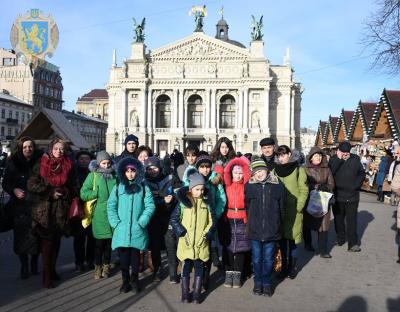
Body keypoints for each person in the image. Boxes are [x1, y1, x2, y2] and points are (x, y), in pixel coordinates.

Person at [27, 138, 77, 288]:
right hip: (44, 210)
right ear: (51, 149)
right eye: (56, 148)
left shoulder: (69, 164)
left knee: (56, 242)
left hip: (61, 210)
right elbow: (32, 184)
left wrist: (65, 191)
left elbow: (74, 185)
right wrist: (50, 192)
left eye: (61, 149)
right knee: (47, 245)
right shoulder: (41, 163)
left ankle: (53, 270)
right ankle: (46, 276)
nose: (59, 151)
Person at [107, 157, 155, 293]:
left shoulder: (143, 187)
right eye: (127, 171)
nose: (130, 174)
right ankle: (125, 281)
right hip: (121, 230)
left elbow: (150, 206)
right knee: (123, 259)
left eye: (133, 171)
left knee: (135, 258)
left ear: (137, 171)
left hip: (136, 230)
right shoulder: (118, 187)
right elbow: (111, 206)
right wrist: (115, 222)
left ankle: (134, 280)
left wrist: (142, 221)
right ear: (123, 172)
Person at [170, 172, 216, 304]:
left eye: (202, 189)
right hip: (187, 242)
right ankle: (185, 293)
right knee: (186, 267)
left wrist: (207, 234)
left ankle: (196, 293)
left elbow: (212, 222)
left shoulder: (207, 203)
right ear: (190, 189)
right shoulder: (183, 203)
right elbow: (174, 219)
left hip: (201, 242)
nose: (200, 192)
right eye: (197, 189)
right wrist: (182, 233)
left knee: (199, 267)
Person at [2, 137, 42, 279]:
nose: (28, 149)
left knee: (37, 236)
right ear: (20, 148)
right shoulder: (13, 163)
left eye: (30, 146)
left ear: (34, 147)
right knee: (21, 238)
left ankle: (34, 263)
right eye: (25, 147)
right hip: (19, 207)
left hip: (37, 205)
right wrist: (14, 190)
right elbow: (6, 183)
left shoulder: (40, 162)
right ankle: (24, 266)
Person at [245, 158, 285, 297]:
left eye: (261, 170)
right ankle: (258, 282)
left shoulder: (277, 185)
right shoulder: (249, 186)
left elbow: (282, 208)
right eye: (256, 172)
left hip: (271, 229)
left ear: (266, 170)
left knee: (268, 258)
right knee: (256, 258)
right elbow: (248, 206)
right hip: (255, 229)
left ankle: (267, 282)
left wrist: (278, 224)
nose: (259, 174)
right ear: (253, 173)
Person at [144, 156, 181, 282]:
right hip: (153, 218)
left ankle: (173, 272)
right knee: (154, 246)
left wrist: (172, 200)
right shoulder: (144, 182)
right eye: (149, 168)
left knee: (170, 244)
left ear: (159, 167)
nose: (152, 170)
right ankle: (157, 269)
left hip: (168, 216)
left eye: (154, 167)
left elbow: (179, 192)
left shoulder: (170, 177)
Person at [274, 145, 308, 279]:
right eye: (279, 156)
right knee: (282, 241)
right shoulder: (274, 171)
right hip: (279, 211)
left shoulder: (299, 170)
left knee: (293, 241)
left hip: (294, 211)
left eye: (283, 155)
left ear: (289, 154)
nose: (281, 158)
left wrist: (299, 207)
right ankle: (283, 267)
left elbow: (304, 190)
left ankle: (292, 268)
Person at [80, 151, 117, 279]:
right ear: (98, 163)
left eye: (108, 163)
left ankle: (106, 266)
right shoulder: (93, 176)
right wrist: (94, 193)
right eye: (103, 163)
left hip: (112, 214)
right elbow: (83, 193)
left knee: (108, 244)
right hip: (98, 214)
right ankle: (98, 266)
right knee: (99, 244)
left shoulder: (114, 175)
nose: (106, 166)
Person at [193, 154, 227, 289]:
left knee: (209, 249)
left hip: (210, 222)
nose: (205, 170)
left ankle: (205, 278)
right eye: (202, 167)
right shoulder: (194, 180)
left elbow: (221, 200)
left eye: (207, 167)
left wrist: (215, 215)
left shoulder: (215, 181)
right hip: (196, 222)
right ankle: (198, 278)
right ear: (198, 168)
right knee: (197, 251)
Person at [220, 156, 251, 288]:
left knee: (240, 248)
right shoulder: (227, 185)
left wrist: (242, 163)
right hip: (228, 218)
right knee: (228, 247)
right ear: (231, 173)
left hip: (242, 218)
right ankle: (229, 273)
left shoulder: (246, 186)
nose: (238, 176)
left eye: (240, 173)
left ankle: (238, 274)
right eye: (235, 173)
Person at [329, 141, 365, 252]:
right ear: (338, 151)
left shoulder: (355, 159)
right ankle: (340, 237)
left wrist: (356, 185)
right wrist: (339, 160)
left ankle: (352, 243)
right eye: (343, 152)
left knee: (352, 221)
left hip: (352, 195)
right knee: (338, 219)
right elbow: (330, 173)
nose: (345, 154)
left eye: (347, 153)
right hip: (338, 196)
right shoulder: (333, 160)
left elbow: (361, 173)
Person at [303, 147, 335, 258]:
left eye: (320, 155)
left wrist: (326, 187)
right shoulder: (305, 169)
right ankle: (308, 244)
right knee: (307, 224)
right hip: (309, 200)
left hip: (323, 200)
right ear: (311, 158)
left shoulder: (326, 169)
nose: (319, 158)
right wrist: (316, 186)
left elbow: (331, 183)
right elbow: (303, 184)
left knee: (323, 226)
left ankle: (323, 250)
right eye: (316, 155)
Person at [71, 151, 95, 272]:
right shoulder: (73, 173)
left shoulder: (95, 173)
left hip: (92, 209)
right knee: (79, 237)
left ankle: (90, 260)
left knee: (91, 237)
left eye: (86, 159)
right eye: (81, 158)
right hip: (79, 208)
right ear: (77, 160)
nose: (84, 161)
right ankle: (79, 262)